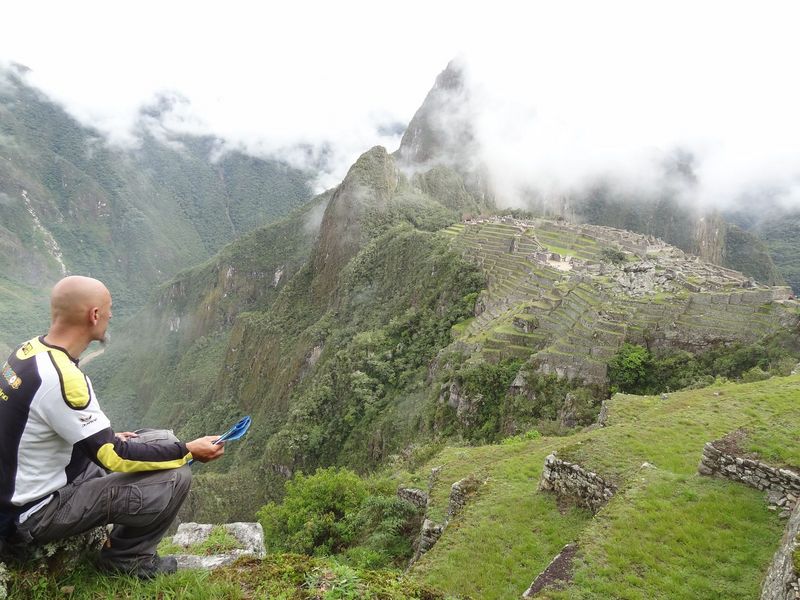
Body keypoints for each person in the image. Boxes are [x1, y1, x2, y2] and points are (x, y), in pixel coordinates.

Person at [0, 276, 225, 579]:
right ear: (94, 315)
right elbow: (112, 456)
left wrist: (126, 440)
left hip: (30, 486)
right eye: (108, 309)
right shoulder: (62, 378)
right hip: (33, 513)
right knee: (176, 476)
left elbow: (39, 424)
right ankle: (128, 560)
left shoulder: (28, 352)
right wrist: (188, 452)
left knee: (162, 439)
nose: (111, 316)